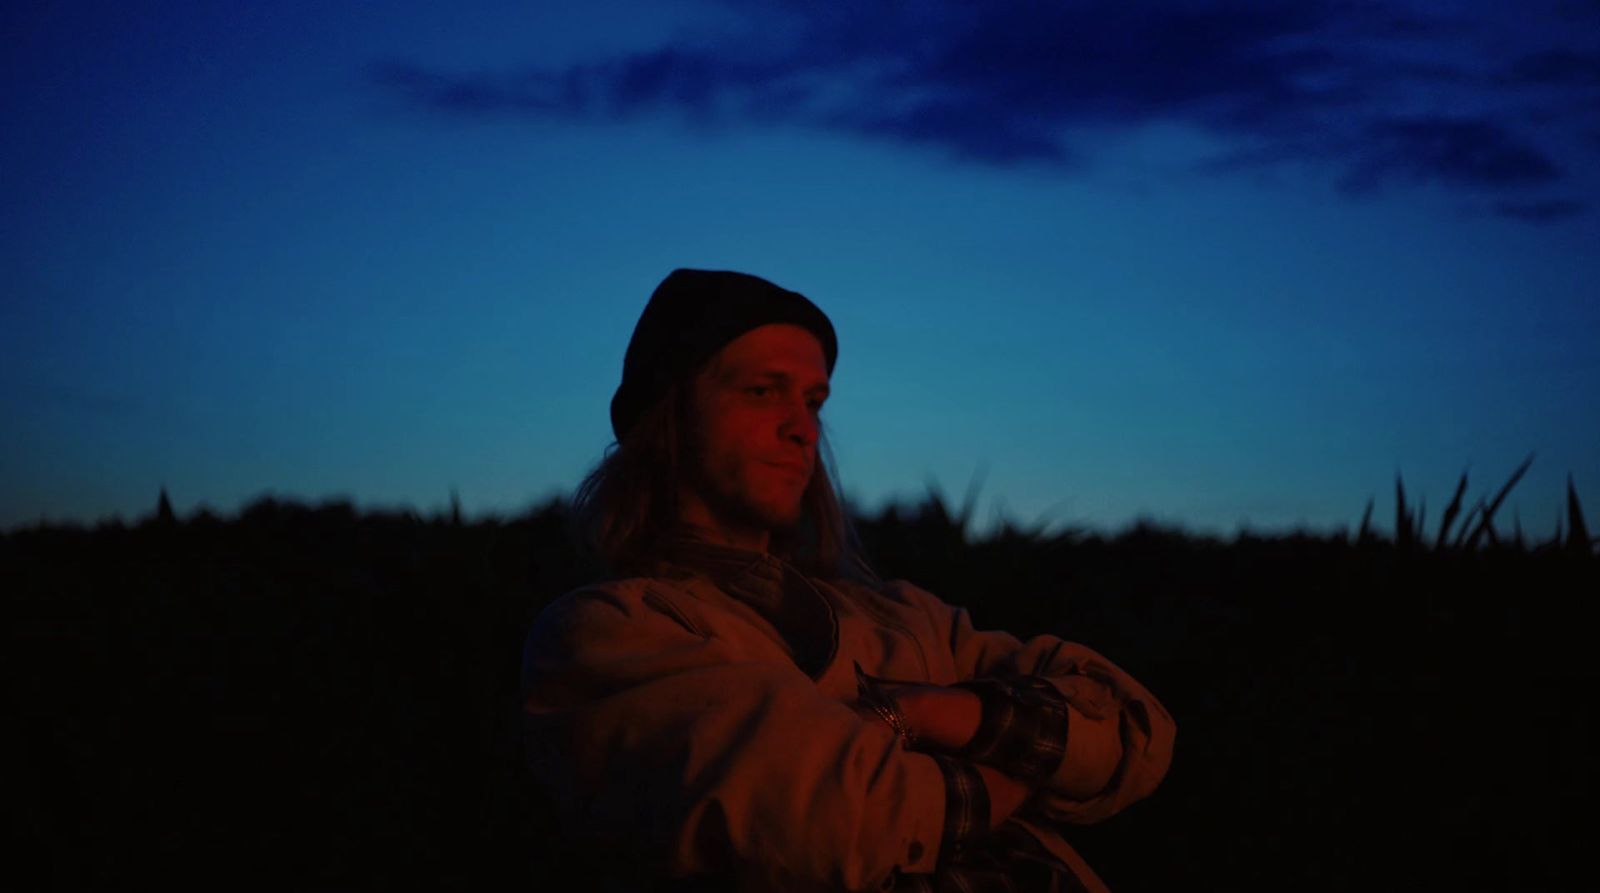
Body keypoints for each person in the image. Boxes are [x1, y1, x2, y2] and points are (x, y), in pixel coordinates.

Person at [521, 269, 1175, 892]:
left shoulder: (905, 616)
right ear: (668, 416)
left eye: (813, 401)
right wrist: (1029, 769)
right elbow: (837, 817)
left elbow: (1133, 727)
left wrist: (920, 711)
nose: (801, 427)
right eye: (761, 390)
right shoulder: (611, 631)